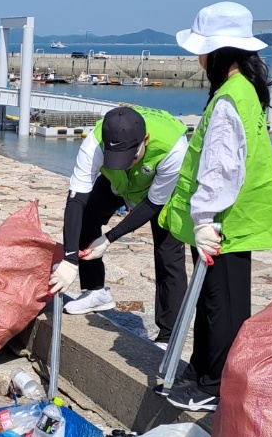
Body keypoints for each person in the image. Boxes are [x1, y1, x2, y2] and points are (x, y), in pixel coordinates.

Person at [158, 2, 272, 411]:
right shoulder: (243, 91)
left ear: (218, 52)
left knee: (222, 306)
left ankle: (216, 385)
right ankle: (202, 372)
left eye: (201, 49)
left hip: (225, 222)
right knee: (215, 300)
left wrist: (204, 218)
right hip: (233, 219)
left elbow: (220, 167)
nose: (197, 58)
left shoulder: (230, 99)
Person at [48, 104, 188, 344]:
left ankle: (168, 335)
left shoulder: (174, 147)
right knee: (87, 215)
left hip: (159, 190)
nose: (126, 163)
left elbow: (153, 204)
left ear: (145, 139)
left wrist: (110, 238)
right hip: (119, 185)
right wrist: (70, 259)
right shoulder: (94, 143)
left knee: (168, 254)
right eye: (117, 159)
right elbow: (76, 199)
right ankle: (96, 292)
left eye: (130, 157)